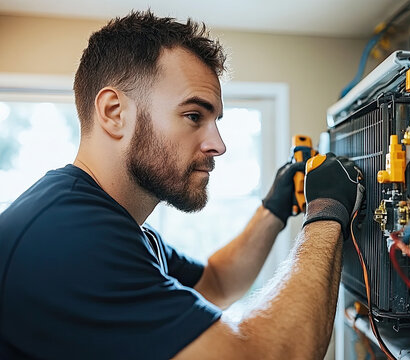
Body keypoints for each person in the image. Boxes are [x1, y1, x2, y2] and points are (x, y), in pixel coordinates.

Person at [0, 10, 365, 360]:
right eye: (193, 116)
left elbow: (217, 284)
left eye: (215, 120)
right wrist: (326, 213)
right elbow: (270, 355)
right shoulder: (69, 238)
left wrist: (273, 209)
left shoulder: (109, 223)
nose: (219, 145)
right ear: (114, 113)